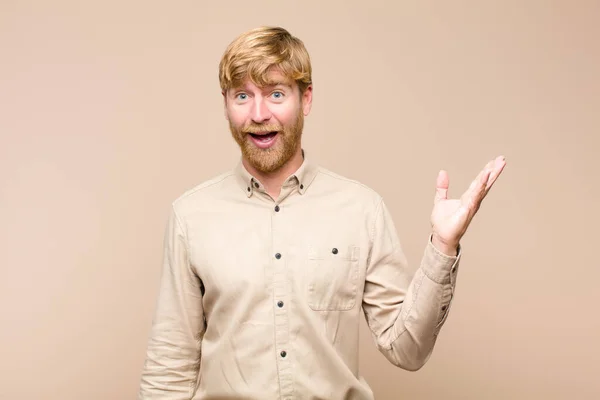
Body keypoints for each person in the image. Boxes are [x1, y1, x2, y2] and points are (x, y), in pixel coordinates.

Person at [137, 26, 506, 400]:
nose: (259, 114)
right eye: (243, 96)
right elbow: (169, 369)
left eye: (276, 94)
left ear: (306, 98)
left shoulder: (361, 209)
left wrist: (443, 246)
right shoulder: (191, 215)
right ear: (226, 103)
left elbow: (406, 349)